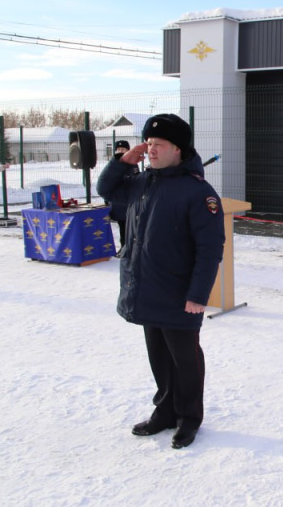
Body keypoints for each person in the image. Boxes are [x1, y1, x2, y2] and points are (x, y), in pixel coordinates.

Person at [96, 114, 225, 450]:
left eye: (159, 145)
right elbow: (106, 190)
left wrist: (198, 294)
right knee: (158, 356)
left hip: (180, 293)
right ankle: (164, 411)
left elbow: (210, 249)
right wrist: (124, 160)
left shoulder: (198, 192)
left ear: (178, 149)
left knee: (185, 359)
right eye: (148, 144)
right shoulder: (141, 181)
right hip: (146, 287)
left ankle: (189, 418)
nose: (150, 150)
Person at [106, 140, 137, 251]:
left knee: (128, 227)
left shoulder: (132, 165)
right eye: (118, 150)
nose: (120, 151)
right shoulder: (113, 166)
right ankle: (123, 246)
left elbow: (134, 180)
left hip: (127, 202)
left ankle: (127, 248)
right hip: (116, 203)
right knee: (121, 227)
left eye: (123, 149)